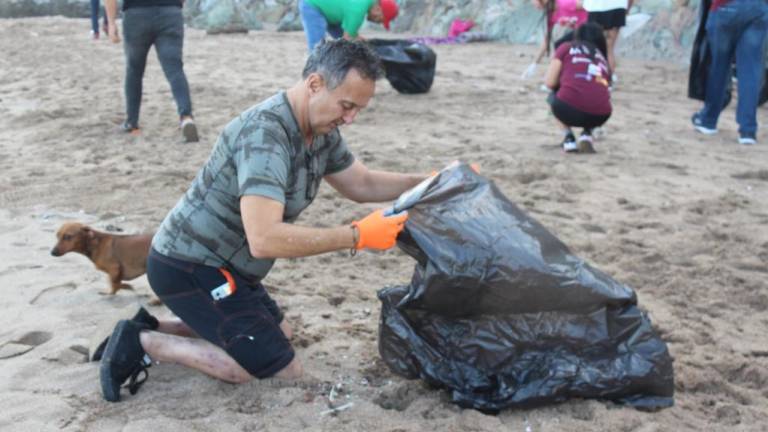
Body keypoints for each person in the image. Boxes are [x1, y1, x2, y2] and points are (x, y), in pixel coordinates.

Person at [97, 40, 431, 402]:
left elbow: (361, 182)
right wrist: (356, 235)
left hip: (232, 269)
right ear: (315, 84)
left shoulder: (320, 129)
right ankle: (145, 342)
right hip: (190, 266)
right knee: (270, 370)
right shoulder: (266, 135)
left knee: (281, 334)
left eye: (358, 110)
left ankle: (154, 325)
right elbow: (265, 238)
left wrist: (431, 180)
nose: (349, 118)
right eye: (346, 106)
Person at [104, 0, 199, 142]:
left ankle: (132, 122)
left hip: (136, 14)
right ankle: (186, 117)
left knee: (134, 70)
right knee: (174, 69)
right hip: (170, 12)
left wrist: (111, 22)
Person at [691, 0, 768, 145]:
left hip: (725, 7)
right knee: (750, 71)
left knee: (719, 68)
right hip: (758, 8)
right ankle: (748, 131)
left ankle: (708, 121)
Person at [544, 22, 612, 153]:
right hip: (601, 115)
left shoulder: (566, 47)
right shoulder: (602, 58)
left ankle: (568, 138)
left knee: (554, 94)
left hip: (566, 109)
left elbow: (549, 82)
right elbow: (605, 86)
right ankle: (586, 134)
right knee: (595, 91)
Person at [520, 0, 588, 79]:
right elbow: (547, 40)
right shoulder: (552, 14)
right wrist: (535, 64)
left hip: (590, 33)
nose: (533, 3)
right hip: (577, 36)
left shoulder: (565, 3)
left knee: (561, 40)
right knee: (559, 46)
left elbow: (589, 6)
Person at [299, 0, 399, 51]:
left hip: (331, 13)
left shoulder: (363, 4)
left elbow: (352, 35)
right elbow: (347, 38)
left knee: (349, 42)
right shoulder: (358, 11)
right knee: (317, 47)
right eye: (380, 20)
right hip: (313, 5)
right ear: (378, 9)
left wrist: (369, 44)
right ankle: (313, 74)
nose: (378, 22)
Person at [582, 0, 633, 80]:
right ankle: (610, 77)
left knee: (594, 47)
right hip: (618, 6)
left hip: (595, 7)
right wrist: (627, 9)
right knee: (609, 48)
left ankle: (596, 75)